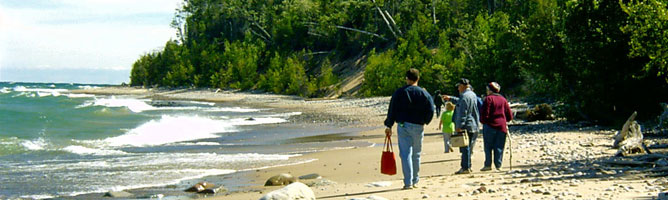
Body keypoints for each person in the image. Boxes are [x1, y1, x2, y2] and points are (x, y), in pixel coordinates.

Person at [384, 68, 435, 190]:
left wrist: (389, 125)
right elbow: (431, 109)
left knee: (405, 154)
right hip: (418, 125)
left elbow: (392, 110)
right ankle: (415, 180)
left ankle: (408, 182)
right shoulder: (424, 93)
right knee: (416, 154)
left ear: (407, 78)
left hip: (403, 125)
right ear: (418, 79)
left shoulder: (399, 92)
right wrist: (425, 121)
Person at [443, 78, 480, 174]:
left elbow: (463, 112)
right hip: (473, 124)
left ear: (463, 86)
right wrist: (450, 98)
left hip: (466, 125)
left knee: (465, 147)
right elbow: (460, 102)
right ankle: (468, 166)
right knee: (468, 146)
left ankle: (465, 167)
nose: (458, 88)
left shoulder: (464, 96)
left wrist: (459, 126)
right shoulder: (472, 94)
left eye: (459, 86)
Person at [480, 82, 513, 171]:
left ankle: (488, 165)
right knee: (499, 146)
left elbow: (485, 113)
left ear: (490, 90)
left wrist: (483, 121)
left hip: (490, 126)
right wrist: (505, 120)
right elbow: (509, 115)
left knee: (488, 147)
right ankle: (498, 165)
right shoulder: (503, 99)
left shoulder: (488, 99)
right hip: (501, 126)